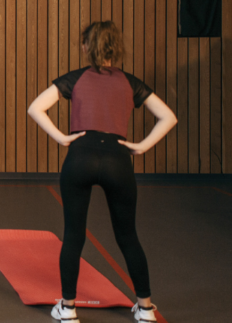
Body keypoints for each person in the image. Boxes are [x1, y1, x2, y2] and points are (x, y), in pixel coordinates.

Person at [27, 21, 177, 323]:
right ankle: (146, 308)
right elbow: (168, 117)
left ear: (86, 47)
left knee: (73, 236)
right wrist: (141, 147)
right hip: (117, 159)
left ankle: (67, 308)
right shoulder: (130, 82)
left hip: (79, 157)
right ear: (116, 48)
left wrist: (62, 137)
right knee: (127, 236)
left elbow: (35, 108)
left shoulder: (75, 79)